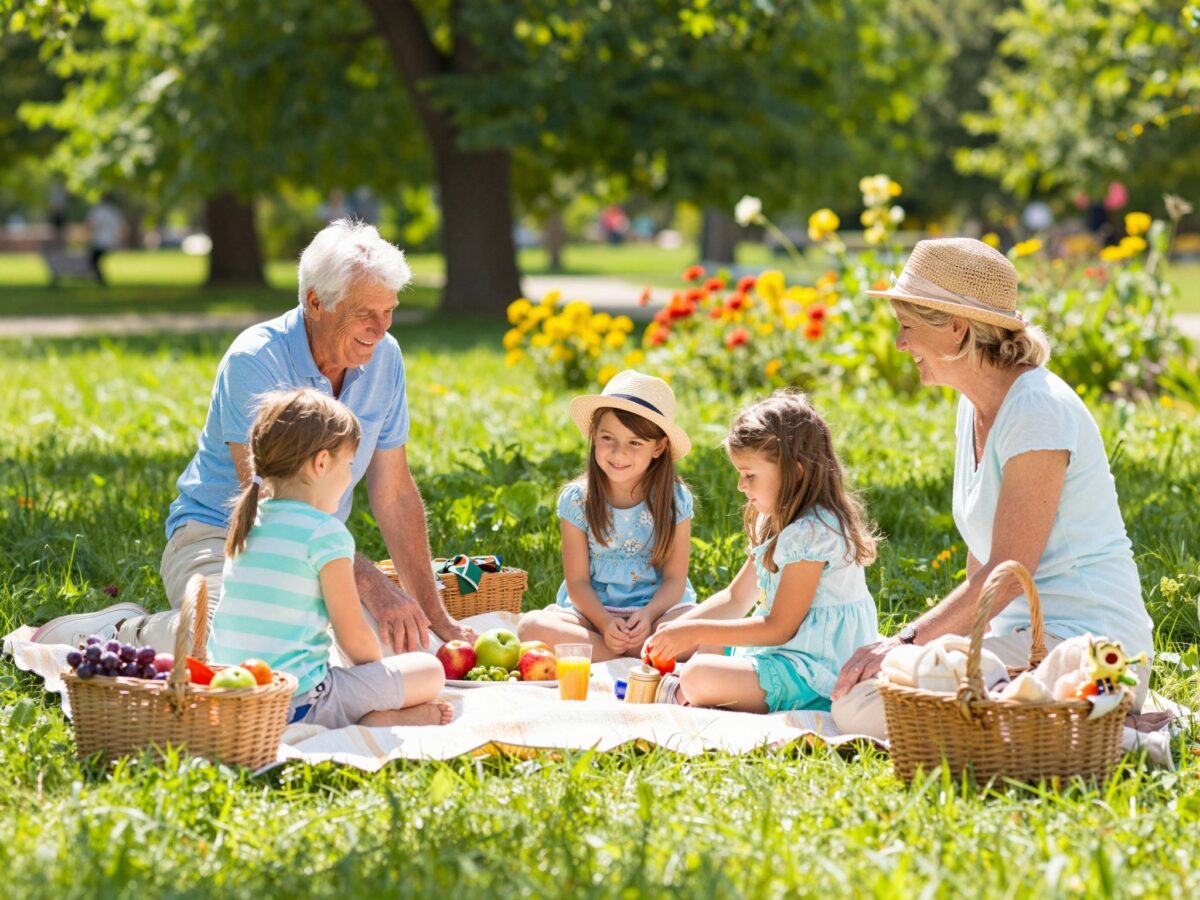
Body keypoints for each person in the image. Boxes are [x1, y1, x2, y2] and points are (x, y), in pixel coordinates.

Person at [32, 219, 473, 654]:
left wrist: (434, 615)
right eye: (365, 314)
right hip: (221, 537)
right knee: (231, 644)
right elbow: (270, 501)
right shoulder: (255, 359)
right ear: (316, 303)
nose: (381, 329)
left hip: (315, 549)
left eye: (389, 311)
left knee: (394, 645)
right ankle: (121, 631)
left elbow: (394, 493)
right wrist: (374, 588)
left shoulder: (384, 357)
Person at [831, 237, 1154, 739]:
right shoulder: (974, 405)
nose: (900, 343)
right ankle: (1037, 718)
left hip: (1088, 647)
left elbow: (1009, 574)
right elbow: (982, 561)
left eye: (908, 328)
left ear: (957, 329)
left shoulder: (1037, 409)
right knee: (866, 694)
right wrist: (925, 650)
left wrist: (905, 639)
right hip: (1017, 646)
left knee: (871, 700)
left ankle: (1083, 718)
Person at [207, 389, 451, 727]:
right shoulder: (325, 533)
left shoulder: (248, 521)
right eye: (349, 464)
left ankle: (371, 712)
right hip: (300, 705)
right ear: (321, 463)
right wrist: (379, 674)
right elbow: (354, 640)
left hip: (233, 698)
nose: (351, 475)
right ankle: (376, 718)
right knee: (428, 670)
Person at [642, 391, 879, 712]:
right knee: (707, 644)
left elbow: (779, 627)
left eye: (750, 475)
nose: (741, 486)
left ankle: (687, 693)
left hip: (817, 669)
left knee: (698, 673)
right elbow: (736, 599)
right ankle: (692, 691)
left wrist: (693, 631)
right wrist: (672, 631)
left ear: (795, 472)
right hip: (789, 653)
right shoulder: (776, 521)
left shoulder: (812, 534)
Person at [517, 370, 697, 661]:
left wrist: (649, 615)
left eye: (634, 442)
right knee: (530, 627)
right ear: (594, 436)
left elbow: (675, 580)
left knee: (699, 628)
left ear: (659, 447)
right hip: (593, 616)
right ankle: (638, 655)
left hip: (656, 613)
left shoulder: (674, 500)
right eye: (608, 438)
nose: (618, 452)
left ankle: (606, 653)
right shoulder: (577, 501)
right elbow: (577, 584)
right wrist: (604, 623)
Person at [85, 195, 124, 284]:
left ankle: (100, 279)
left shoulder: (99, 211)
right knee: (95, 260)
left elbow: (92, 225)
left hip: (101, 241)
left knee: (93, 260)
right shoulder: (114, 211)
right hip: (111, 241)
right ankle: (99, 278)